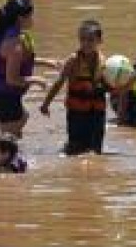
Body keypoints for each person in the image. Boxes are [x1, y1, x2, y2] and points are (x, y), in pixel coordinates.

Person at [39, 18, 109, 155]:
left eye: (90, 40)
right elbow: (59, 82)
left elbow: (110, 86)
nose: (86, 44)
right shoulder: (73, 61)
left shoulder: (104, 62)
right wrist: (46, 104)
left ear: (99, 41)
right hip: (77, 112)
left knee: (96, 149)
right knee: (75, 147)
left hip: (97, 113)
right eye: (82, 39)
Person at [0, 0, 44, 138]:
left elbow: (11, 62)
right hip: (3, 93)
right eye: (31, 16)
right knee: (12, 133)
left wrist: (48, 63)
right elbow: (12, 79)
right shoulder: (14, 44)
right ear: (20, 19)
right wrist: (36, 80)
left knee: (15, 132)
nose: (33, 19)